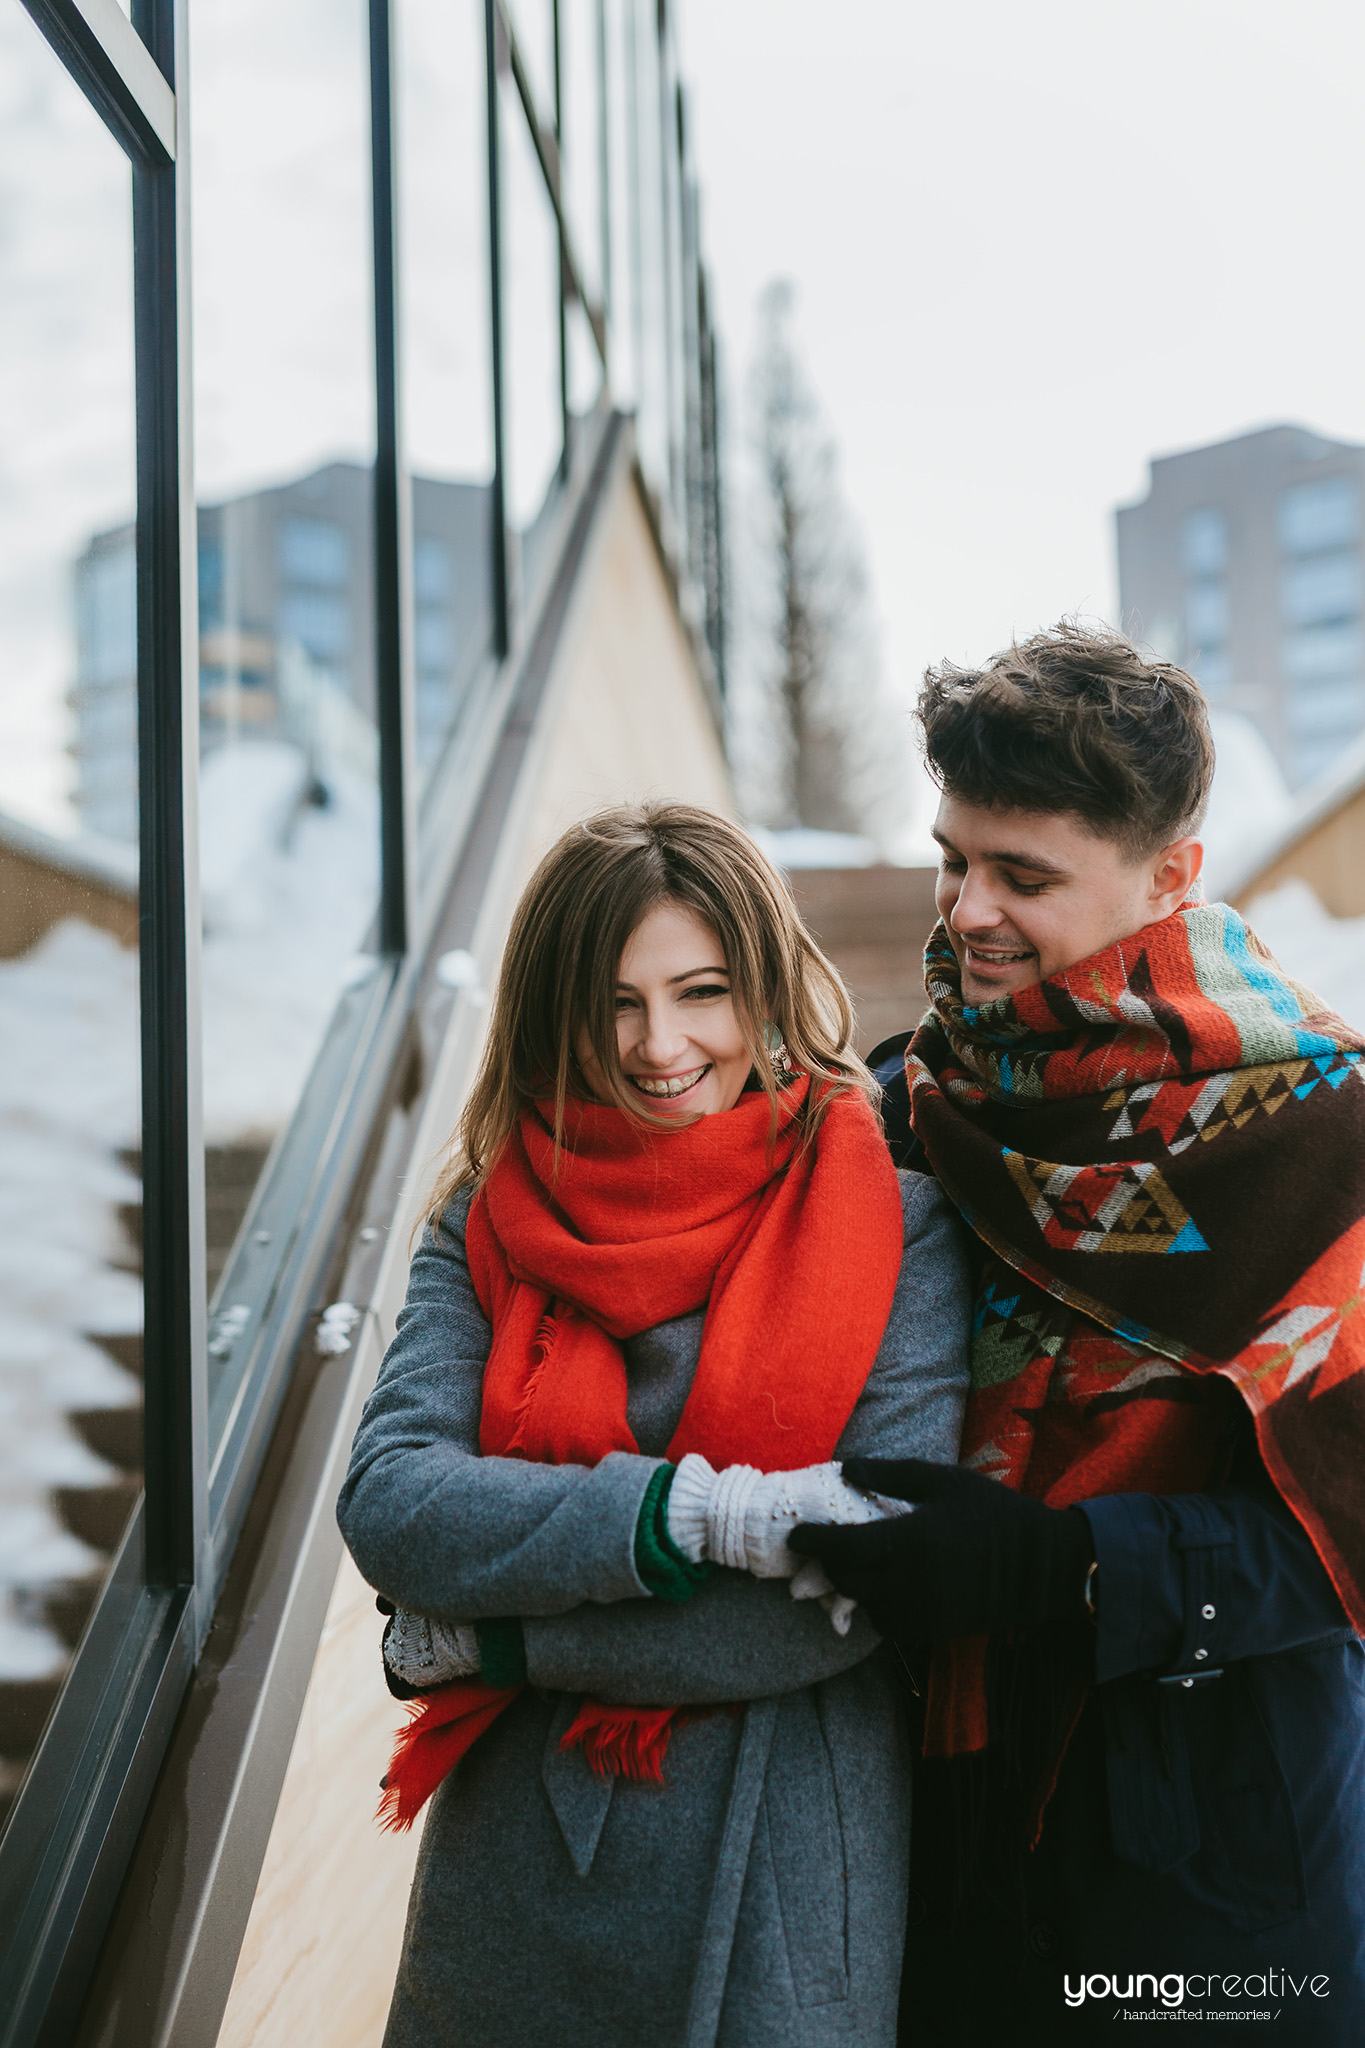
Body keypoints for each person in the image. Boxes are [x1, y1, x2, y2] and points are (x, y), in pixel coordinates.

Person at [793, 624, 1365, 2047]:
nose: (966, 910)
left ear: (1171, 874)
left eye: (1023, 876)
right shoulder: (900, 1112)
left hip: (1208, 1874)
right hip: (922, 1833)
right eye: (951, 859)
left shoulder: (1329, 1140)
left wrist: (1067, 1570)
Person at [337, 800, 972, 2048]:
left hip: (783, 1855)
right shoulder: (485, 1219)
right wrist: (685, 1514)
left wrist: (502, 1641)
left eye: (703, 991)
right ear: (552, 1010)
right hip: (519, 1857)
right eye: (615, 1001)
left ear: (768, 990)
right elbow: (397, 1505)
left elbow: (861, 1583)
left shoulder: (900, 1223)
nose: (660, 1043)